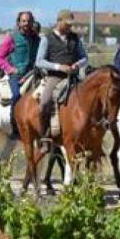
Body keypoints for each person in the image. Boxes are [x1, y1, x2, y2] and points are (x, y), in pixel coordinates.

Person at [35, 11, 88, 151]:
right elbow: (39, 61)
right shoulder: (47, 39)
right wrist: (59, 67)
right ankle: (44, 136)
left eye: (71, 25)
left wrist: (77, 64)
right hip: (55, 77)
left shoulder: (75, 38)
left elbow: (84, 57)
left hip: (75, 76)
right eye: (67, 24)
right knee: (44, 103)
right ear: (59, 21)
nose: (69, 27)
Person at [0, 11, 40, 139]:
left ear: (32, 22)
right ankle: (15, 127)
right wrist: (10, 69)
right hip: (17, 75)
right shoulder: (12, 37)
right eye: (23, 21)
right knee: (16, 95)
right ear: (19, 23)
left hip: (35, 73)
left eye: (29, 21)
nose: (26, 23)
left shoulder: (37, 39)